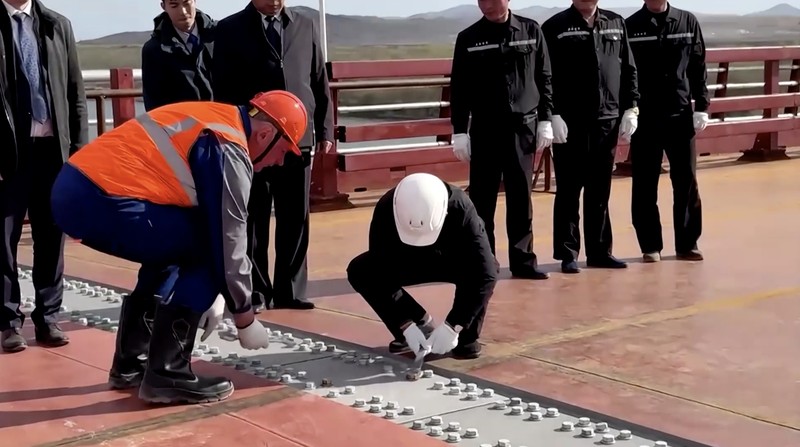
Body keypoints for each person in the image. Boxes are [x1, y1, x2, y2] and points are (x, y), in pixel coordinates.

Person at [49, 90, 308, 404]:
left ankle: (132, 363)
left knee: (174, 244)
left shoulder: (214, 118)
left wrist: (213, 294)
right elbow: (228, 238)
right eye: (282, 151)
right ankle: (167, 373)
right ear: (266, 133)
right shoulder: (229, 145)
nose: (278, 162)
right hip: (98, 197)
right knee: (206, 244)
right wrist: (244, 316)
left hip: (75, 188)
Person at [213, 0, 334, 312]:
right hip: (255, 143)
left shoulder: (305, 25)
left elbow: (319, 80)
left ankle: (290, 291)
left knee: (296, 216)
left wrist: (325, 131)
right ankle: (256, 291)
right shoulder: (229, 30)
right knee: (254, 218)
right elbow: (222, 90)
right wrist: (234, 136)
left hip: (298, 139)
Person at [0, 0, 88, 353]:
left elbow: (74, 90)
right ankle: (8, 321)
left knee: (51, 237)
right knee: (3, 240)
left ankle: (48, 316)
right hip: (8, 155)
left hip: (53, 150)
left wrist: (80, 150)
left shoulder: (57, 24)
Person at [450, 0, 554, 281]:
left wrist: (546, 119)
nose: (487, 5)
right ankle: (485, 262)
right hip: (485, 129)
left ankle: (523, 262)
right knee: (482, 201)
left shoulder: (531, 30)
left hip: (523, 128)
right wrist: (459, 131)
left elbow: (544, 77)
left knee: (521, 198)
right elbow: (459, 87)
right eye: (482, 1)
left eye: (494, 0)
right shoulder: (468, 38)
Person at [347, 173, 498, 360]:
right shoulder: (386, 208)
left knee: (485, 267)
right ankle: (418, 323)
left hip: (450, 259)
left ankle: (465, 336)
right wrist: (404, 324)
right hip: (406, 258)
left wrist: (454, 325)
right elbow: (379, 271)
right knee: (361, 270)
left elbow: (485, 272)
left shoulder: (461, 207)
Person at [542, 0, 639, 274]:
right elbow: (545, 75)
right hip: (569, 123)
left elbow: (629, 68)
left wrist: (631, 107)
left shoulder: (616, 22)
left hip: (606, 120)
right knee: (569, 191)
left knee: (600, 190)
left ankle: (599, 252)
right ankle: (567, 253)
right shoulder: (555, 26)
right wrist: (553, 114)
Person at [626, 0, 708, 262]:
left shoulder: (687, 22)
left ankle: (687, 244)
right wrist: (629, 109)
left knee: (686, 180)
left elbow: (698, 65)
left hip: (680, 115)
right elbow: (626, 73)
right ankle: (650, 246)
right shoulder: (631, 26)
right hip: (645, 118)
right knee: (644, 183)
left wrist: (702, 106)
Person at [141, 0, 216, 111]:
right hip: (183, 124)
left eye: (186, 3)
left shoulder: (220, 36)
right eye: (174, 5)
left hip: (226, 121)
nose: (183, 11)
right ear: (164, 7)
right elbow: (155, 106)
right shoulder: (154, 51)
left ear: (195, 1)